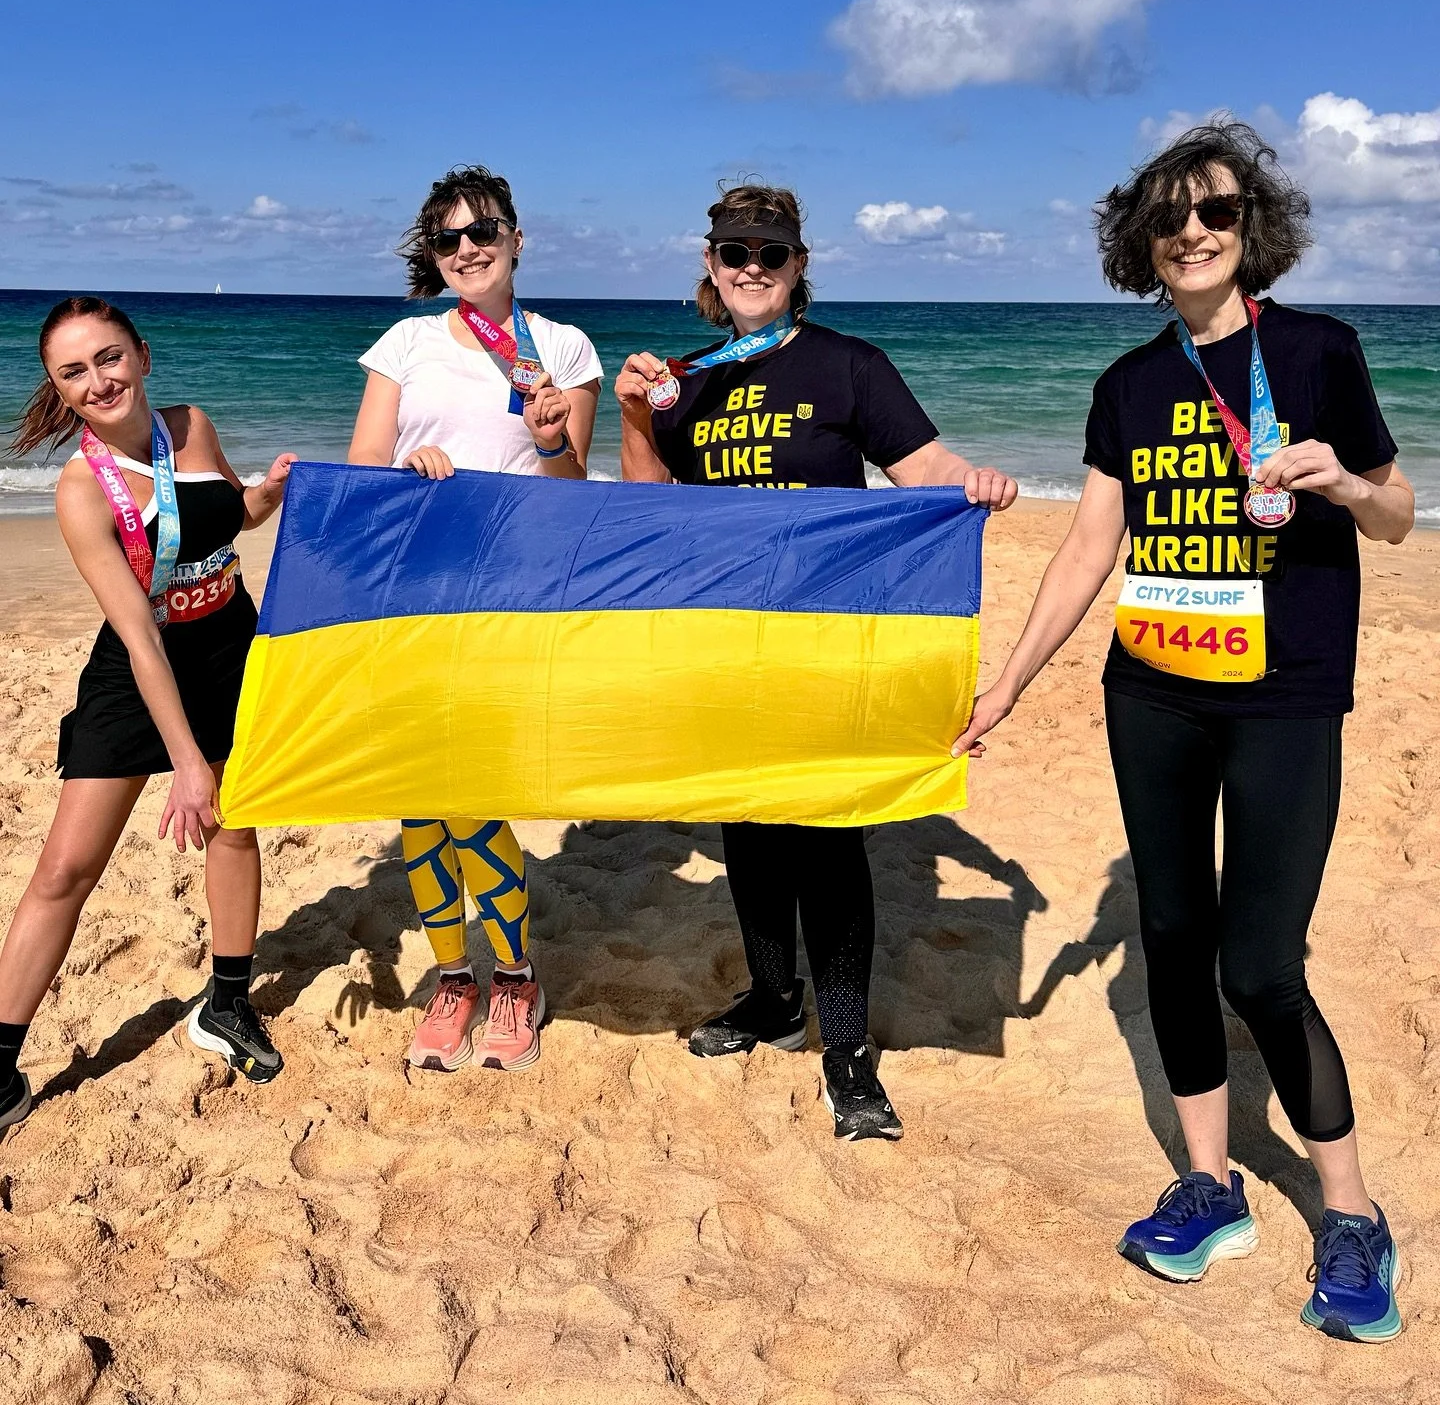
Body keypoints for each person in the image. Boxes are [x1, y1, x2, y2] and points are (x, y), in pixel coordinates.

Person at [954, 121, 1414, 1341]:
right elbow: (1090, 548)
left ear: (1249, 227)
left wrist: (1348, 480)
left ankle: (1354, 1213)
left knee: (1261, 963)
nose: (1193, 232)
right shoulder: (1129, 385)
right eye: (1169, 219)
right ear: (1140, 246)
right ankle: (1210, 1185)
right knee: (1169, 933)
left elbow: (1400, 518)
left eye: (1214, 211)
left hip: (1282, 695)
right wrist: (1007, 683)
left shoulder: (1317, 352)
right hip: (1150, 691)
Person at [616, 182, 1017, 1143]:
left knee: (827, 836)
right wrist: (633, 415)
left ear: (799, 267)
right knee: (748, 824)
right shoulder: (689, 379)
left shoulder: (848, 366)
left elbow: (924, 473)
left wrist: (980, 484)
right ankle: (770, 999)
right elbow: (654, 505)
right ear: (710, 266)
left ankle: (845, 1051)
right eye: (734, 251)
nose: (752, 266)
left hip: (828, 642)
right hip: (726, 640)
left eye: (771, 252)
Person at [0, 297, 295, 1132]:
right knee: (65, 869)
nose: (98, 381)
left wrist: (266, 494)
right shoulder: (78, 490)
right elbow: (136, 632)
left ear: (143, 355)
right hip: (140, 671)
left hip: (230, 646)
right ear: (59, 391)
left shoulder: (190, 426)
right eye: (74, 372)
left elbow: (229, 514)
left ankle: (226, 1004)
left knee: (237, 829)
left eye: (109, 358)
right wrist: (186, 762)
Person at [349, 164, 602, 1074]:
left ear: (517, 238)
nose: (467, 249)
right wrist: (405, 467)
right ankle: (454, 975)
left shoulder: (565, 350)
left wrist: (548, 442)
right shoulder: (409, 343)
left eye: (483, 231)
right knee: (423, 790)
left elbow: (571, 492)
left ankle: (517, 978)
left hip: (509, 600)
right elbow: (366, 464)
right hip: (413, 592)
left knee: (478, 789)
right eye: (449, 238)